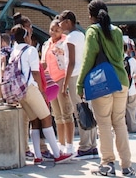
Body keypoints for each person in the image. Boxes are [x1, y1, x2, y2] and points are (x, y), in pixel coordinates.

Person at [77, 0, 132, 177]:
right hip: (121, 80)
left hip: (103, 82)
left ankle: (107, 164)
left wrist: (80, 84)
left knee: (104, 124)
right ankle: (127, 166)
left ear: (90, 15)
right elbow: (120, 56)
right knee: (120, 123)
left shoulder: (92, 31)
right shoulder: (117, 31)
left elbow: (88, 58)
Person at [9, 25, 70, 164]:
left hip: (19, 91)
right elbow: (35, 73)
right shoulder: (30, 50)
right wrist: (42, 92)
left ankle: (37, 156)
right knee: (46, 118)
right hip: (31, 88)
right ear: (26, 36)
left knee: (34, 121)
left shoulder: (14, 51)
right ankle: (57, 154)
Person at [59, 10, 97, 159]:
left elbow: (71, 62)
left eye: (61, 22)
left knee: (80, 111)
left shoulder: (70, 38)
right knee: (88, 109)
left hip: (75, 76)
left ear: (68, 21)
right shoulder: (81, 35)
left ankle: (84, 147)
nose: (60, 25)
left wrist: (65, 84)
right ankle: (92, 145)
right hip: (85, 75)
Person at [42, 17, 74, 156]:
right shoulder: (46, 44)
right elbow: (44, 62)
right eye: (52, 29)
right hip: (51, 80)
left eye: (57, 30)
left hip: (62, 77)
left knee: (66, 112)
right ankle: (61, 144)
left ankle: (70, 145)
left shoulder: (65, 41)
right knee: (57, 115)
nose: (54, 32)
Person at [123, 39, 136, 134]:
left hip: (119, 91)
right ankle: (133, 128)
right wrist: (132, 77)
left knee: (119, 112)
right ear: (127, 50)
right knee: (131, 109)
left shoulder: (114, 60)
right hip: (131, 89)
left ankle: (122, 130)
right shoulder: (131, 60)